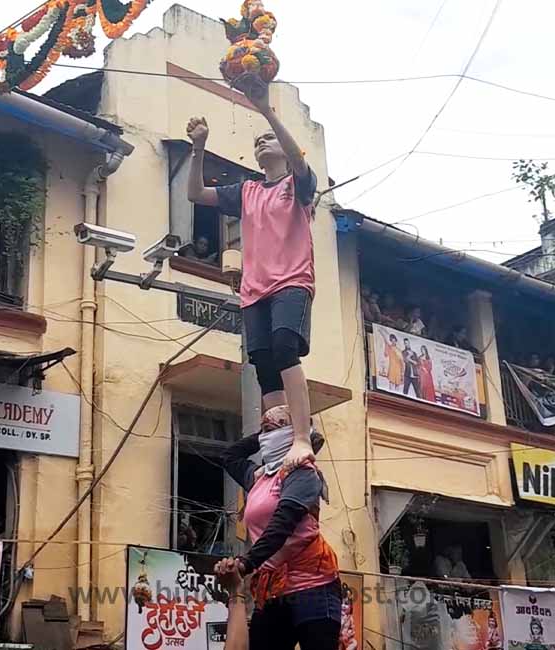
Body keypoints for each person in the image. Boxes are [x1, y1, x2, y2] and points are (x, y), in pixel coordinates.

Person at [187, 81, 319, 470]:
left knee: (283, 347)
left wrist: (266, 110)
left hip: (292, 281)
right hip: (254, 289)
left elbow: (299, 160)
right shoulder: (246, 191)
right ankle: (278, 442)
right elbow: (196, 193)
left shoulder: (298, 185)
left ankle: (299, 434)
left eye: (269, 139)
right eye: (257, 141)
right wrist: (197, 148)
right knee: (262, 361)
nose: (262, 142)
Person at [220, 406, 340, 650]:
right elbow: (229, 457)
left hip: (313, 584)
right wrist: (263, 434)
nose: (265, 437)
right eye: (263, 431)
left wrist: (245, 563)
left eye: (272, 430)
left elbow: (281, 525)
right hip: (274, 587)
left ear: (291, 434)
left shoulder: (303, 474)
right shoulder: (259, 477)